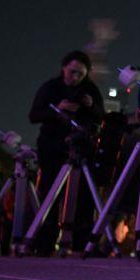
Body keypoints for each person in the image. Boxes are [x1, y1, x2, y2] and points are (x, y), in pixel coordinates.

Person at [28, 50, 104, 255]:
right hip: (53, 147)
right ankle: (45, 243)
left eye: (80, 74)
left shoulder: (89, 90)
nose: (75, 77)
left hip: (82, 147)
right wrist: (57, 110)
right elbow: (34, 115)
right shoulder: (51, 88)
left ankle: (83, 242)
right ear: (63, 68)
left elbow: (101, 116)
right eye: (72, 72)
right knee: (50, 194)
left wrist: (91, 105)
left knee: (84, 198)